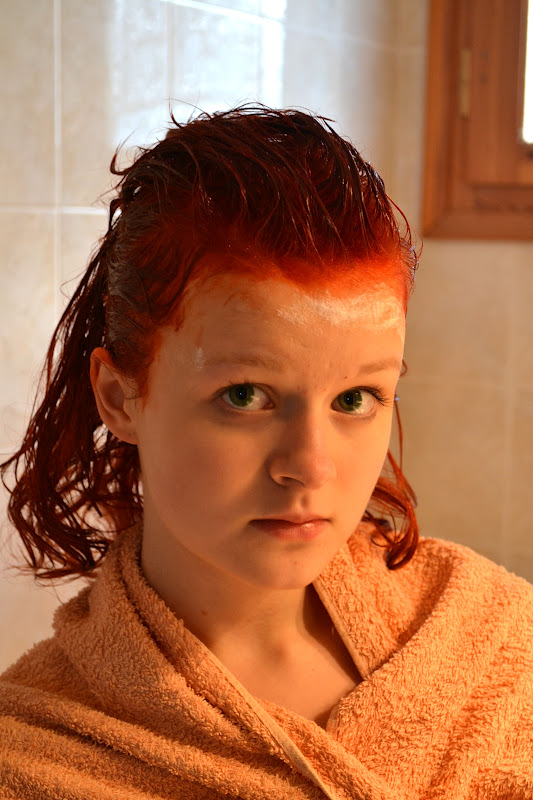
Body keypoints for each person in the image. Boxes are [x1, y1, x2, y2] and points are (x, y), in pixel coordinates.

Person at [0, 105, 531, 800]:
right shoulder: (34, 751)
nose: (310, 466)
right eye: (245, 396)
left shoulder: (492, 635)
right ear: (120, 397)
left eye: (355, 398)